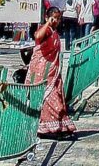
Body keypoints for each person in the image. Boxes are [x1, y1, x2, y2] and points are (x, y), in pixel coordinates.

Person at [26, 7, 76, 139]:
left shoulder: (54, 32)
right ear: (47, 17)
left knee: (57, 97)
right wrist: (48, 23)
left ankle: (57, 126)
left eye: (59, 18)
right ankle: (47, 129)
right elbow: (37, 36)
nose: (57, 21)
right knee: (49, 99)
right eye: (54, 18)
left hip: (53, 71)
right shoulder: (46, 29)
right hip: (42, 71)